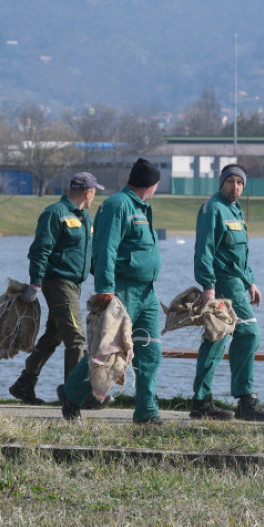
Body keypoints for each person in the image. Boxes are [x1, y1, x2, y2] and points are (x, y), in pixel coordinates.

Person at [57, 157, 164, 425]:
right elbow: (106, 249)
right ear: (153, 183)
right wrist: (105, 288)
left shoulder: (143, 207)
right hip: (122, 289)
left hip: (147, 293)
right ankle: (71, 395)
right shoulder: (118, 205)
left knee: (150, 351)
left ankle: (146, 412)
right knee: (107, 351)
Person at [9, 171, 104, 405]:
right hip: (58, 283)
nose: (94, 198)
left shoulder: (86, 219)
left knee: (55, 335)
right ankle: (79, 393)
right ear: (88, 193)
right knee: (76, 336)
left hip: (74, 285)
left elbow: (90, 258)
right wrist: (35, 283)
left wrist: (106, 281)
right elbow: (40, 250)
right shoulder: (55, 213)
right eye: (94, 193)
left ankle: (25, 383)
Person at [190, 163, 264, 422]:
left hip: (237, 282)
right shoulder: (213, 208)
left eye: (240, 183)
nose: (235, 187)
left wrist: (251, 282)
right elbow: (203, 251)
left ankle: (201, 403)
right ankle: (245, 401)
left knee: (216, 340)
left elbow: (239, 254)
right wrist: (208, 286)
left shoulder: (235, 210)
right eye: (231, 182)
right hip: (222, 284)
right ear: (222, 182)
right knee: (249, 334)